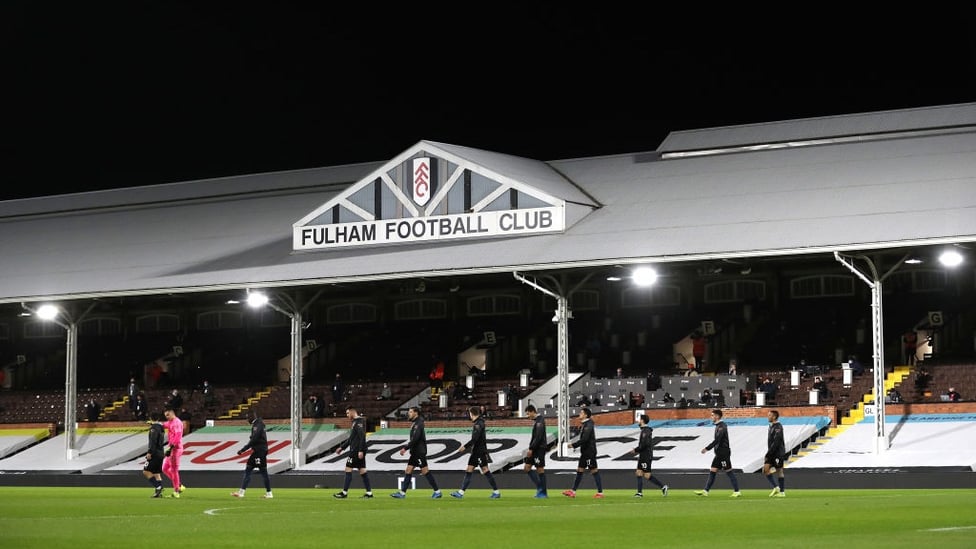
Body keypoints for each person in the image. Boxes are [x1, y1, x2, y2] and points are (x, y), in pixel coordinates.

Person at [390, 406, 441, 499]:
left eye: (410, 412)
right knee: (408, 470)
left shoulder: (418, 423)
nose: (408, 413)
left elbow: (415, 439)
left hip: (419, 452)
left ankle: (437, 491)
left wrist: (405, 448)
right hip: (415, 452)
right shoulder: (415, 423)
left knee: (425, 471)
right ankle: (402, 493)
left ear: (415, 413)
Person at [450, 405, 501, 499]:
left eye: (469, 413)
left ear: (472, 413)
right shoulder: (479, 422)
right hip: (476, 451)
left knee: (485, 470)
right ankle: (461, 493)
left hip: (479, 451)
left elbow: (475, 439)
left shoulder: (478, 424)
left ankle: (496, 492)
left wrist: (464, 447)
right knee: (470, 470)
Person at [695, 409, 741, 497]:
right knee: (712, 470)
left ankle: (737, 491)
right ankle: (706, 491)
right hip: (718, 454)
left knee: (729, 471)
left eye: (712, 415)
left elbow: (717, 440)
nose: (711, 417)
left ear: (717, 416)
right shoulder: (718, 426)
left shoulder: (722, 426)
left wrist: (707, 448)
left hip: (723, 453)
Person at [562, 407, 604, 499]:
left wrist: (573, 445)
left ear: (585, 415)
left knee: (594, 471)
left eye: (581, 413)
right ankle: (573, 491)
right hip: (584, 452)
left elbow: (585, 439)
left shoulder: (589, 424)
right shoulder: (585, 424)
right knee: (579, 470)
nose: (579, 414)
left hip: (589, 452)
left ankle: (600, 493)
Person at [231, 409, 273, 499]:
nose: (247, 420)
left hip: (259, 452)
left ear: (251, 417)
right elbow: (255, 437)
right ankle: (242, 492)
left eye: (247, 418)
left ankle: (269, 493)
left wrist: (243, 449)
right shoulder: (258, 424)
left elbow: (255, 439)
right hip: (258, 451)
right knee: (251, 470)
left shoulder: (258, 424)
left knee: (260, 472)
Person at [333, 406, 373, 499]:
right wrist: (342, 448)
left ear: (352, 412)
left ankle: (344, 492)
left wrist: (360, 450)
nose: (347, 415)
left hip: (356, 450)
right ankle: (369, 493)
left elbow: (362, 436)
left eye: (347, 413)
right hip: (357, 449)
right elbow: (351, 439)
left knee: (348, 469)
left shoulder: (359, 422)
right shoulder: (355, 422)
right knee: (362, 470)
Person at [630, 414, 668, 498]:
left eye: (639, 420)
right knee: (638, 472)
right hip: (643, 455)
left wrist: (636, 450)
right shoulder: (644, 430)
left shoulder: (645, 431)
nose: (638, 421)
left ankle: (663, 487)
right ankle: (639, 493)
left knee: (646, 475)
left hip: (646, 456)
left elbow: (645, 444)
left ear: (642, 420)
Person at [523, 404, 549, 498]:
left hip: (539, 449)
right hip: (535, 449)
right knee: (527, 468)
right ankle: (540, 488)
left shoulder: (539, 421)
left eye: (528, 413)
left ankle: (544, 492)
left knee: (540, 469)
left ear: (532, 411)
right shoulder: (536, 421)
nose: (527, 416)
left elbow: (538, 437)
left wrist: (531, 448)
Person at [161, 406, 186, 498]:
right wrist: (155, 424)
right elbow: (164, 425)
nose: (167, 416)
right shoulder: (170, 422)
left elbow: (178, 436)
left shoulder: (177, 423)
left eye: (168, 415)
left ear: (172, 413)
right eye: (165, 415)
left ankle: (176, 491)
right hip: (170, 449)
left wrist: (171, 447)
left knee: (174, 470)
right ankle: (179, 485)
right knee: (164, 468)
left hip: (175, 449)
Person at [763, 410, 786, 497]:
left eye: (769, 415)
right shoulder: (771, 426)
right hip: (771, 452)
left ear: (774, 417)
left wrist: (769, 453)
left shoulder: (778, 427)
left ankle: (782, 492)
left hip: (777, 453)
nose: (768, 417)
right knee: (765, 469)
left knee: (779, 471)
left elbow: (777, 441)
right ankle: (776, 488)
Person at [143, 411, 166, 498]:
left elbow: (153, 441)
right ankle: (158, 492)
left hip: (155, 453)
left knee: (146, 471)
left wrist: (150, 452)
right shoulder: (161, 427)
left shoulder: (154, 428)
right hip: (161, 453)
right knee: (156, 473)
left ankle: (158, 486)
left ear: (150, 418)